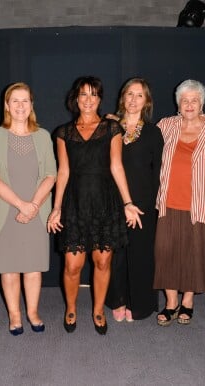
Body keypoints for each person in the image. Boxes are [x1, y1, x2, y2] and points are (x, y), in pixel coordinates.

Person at [47, 76, 143, 335]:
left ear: (100, 99)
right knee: (72, 266)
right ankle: (71, 308)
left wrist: (128, 202)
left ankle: (98, 310)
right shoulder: (63, 133)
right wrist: (56, 208)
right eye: (83, 95)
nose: (88, 100)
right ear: (75, 99)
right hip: (75, 205)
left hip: (105, 204)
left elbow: (116, 166)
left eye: (93, 95)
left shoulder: (112, 129)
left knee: (102, 263)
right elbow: (63, 172)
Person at [0, 82, 57, 335]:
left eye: (25, 100)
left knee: (33, 267)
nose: (20, 106)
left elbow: (51, 174)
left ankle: (33, 312)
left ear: (32, 105)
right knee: (9, 268)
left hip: (36, 213)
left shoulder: (43, 136)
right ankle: (15, 315)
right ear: (6, 105)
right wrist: (21, 205)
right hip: (6, 212)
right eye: (14, 100)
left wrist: (34, 205)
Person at [153, 79, 205, 327]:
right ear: (178, 103)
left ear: (201, 103)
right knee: (165, 253)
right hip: (167, 203)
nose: (189, 104)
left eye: (194, 100)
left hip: (198, 205)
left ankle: (187, 301)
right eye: (184, 100)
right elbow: (141, 139)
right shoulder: (166, 125)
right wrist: (121, 122)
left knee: (192, 254)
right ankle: (170, 302)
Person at [105, 78, 163, 322]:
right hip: (112, 200)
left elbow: (158, 171)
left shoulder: (152, 132)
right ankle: (117, 299)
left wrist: (152, 205)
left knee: (140, 255)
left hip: (143, 203)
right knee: (115, 255)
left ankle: (139, 303)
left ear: (146, 101)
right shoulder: (109, 127)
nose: (133, 99)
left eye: (139, 95)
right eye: (130, 94)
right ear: (123, 97)